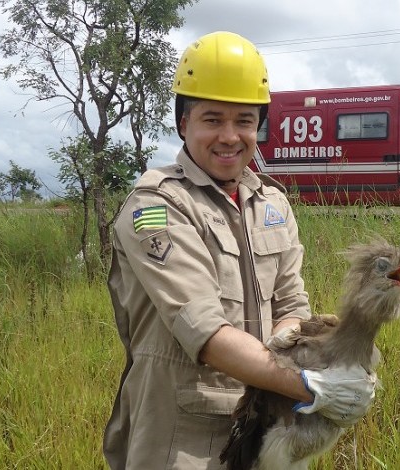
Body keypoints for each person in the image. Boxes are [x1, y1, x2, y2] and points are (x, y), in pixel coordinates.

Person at [103, 31, 376, 469]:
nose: (229, 136)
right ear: (183, 124)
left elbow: (291, 306)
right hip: (181, 437)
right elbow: (206, 333)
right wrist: (312, 388)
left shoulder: (272, 203)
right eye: (212, 119)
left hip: (263, 426)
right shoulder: (157, 206)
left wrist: (323, 362)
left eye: (244, 121)